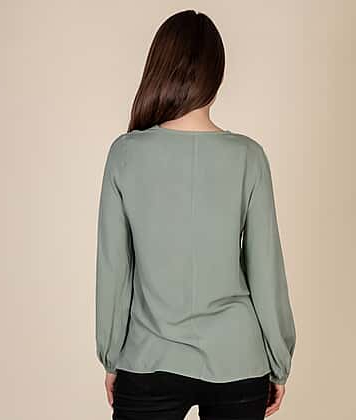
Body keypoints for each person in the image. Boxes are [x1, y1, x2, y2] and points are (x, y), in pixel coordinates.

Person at [95, 9, 296, 420]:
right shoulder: (248, 157)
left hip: (150, 357)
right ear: (216, 75)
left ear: (158, 69)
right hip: (237, 360)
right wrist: (278, 360)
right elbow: (266, 270)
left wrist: (113, 356)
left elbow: (114, 270)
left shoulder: (125, 154)